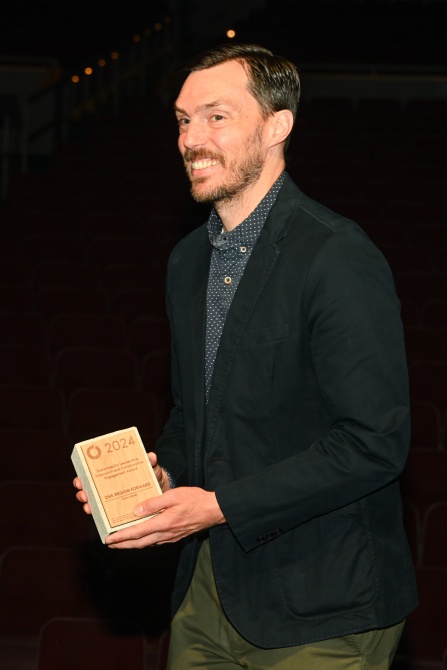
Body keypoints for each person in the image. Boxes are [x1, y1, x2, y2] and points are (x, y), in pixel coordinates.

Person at [74, 43, 418, 669]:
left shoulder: (337, 256)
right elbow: (193, 414)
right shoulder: (188, 261)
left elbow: (374, 443)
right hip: (209, 592)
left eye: (217, 116)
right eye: (183, 120)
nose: (191, 139)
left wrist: (216, 507)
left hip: (324, 603)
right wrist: (162, 479)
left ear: (277, 125)